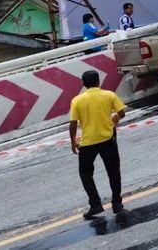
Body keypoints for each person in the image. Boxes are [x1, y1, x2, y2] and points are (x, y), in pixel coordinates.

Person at [69, 70, 126, 219]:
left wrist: (73, 140)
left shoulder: (77, 100)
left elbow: (73, 123)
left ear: (83, 84)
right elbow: (121, 113)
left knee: (85, 173)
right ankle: (117, 204)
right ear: (98, 81)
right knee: (113, 172)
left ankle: (95, 204)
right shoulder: (109, 95)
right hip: (107, 139)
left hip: (88, 142)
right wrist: (113, 119)